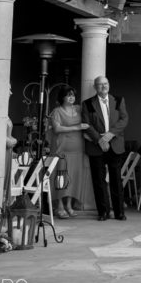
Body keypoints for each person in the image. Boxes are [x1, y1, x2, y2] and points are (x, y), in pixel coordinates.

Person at [82, 75, 129, 221]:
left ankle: (119, 212)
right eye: (100, 84)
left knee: (116, 180)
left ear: (109, 84)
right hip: (96, 146)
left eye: (106, 83)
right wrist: (99, 139)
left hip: (115, 144)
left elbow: (124, 119)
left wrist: (110, 135)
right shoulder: (88, 103)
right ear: (95, 87)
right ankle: (103, 212)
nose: (104, 86)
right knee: (99, 181)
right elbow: (87, 124)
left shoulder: (119, 100)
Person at [49, 85, 92, 218]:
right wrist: (77, 127)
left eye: (73, 94)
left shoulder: (79, 109)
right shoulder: (57, 111)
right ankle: (60, 206)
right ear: (62, 97)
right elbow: (57, 129)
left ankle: (69, 205)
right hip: (62, 148)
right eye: (68, 95)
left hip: (78, 148)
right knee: (61, 177)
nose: (71, 97)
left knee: (74, 177)